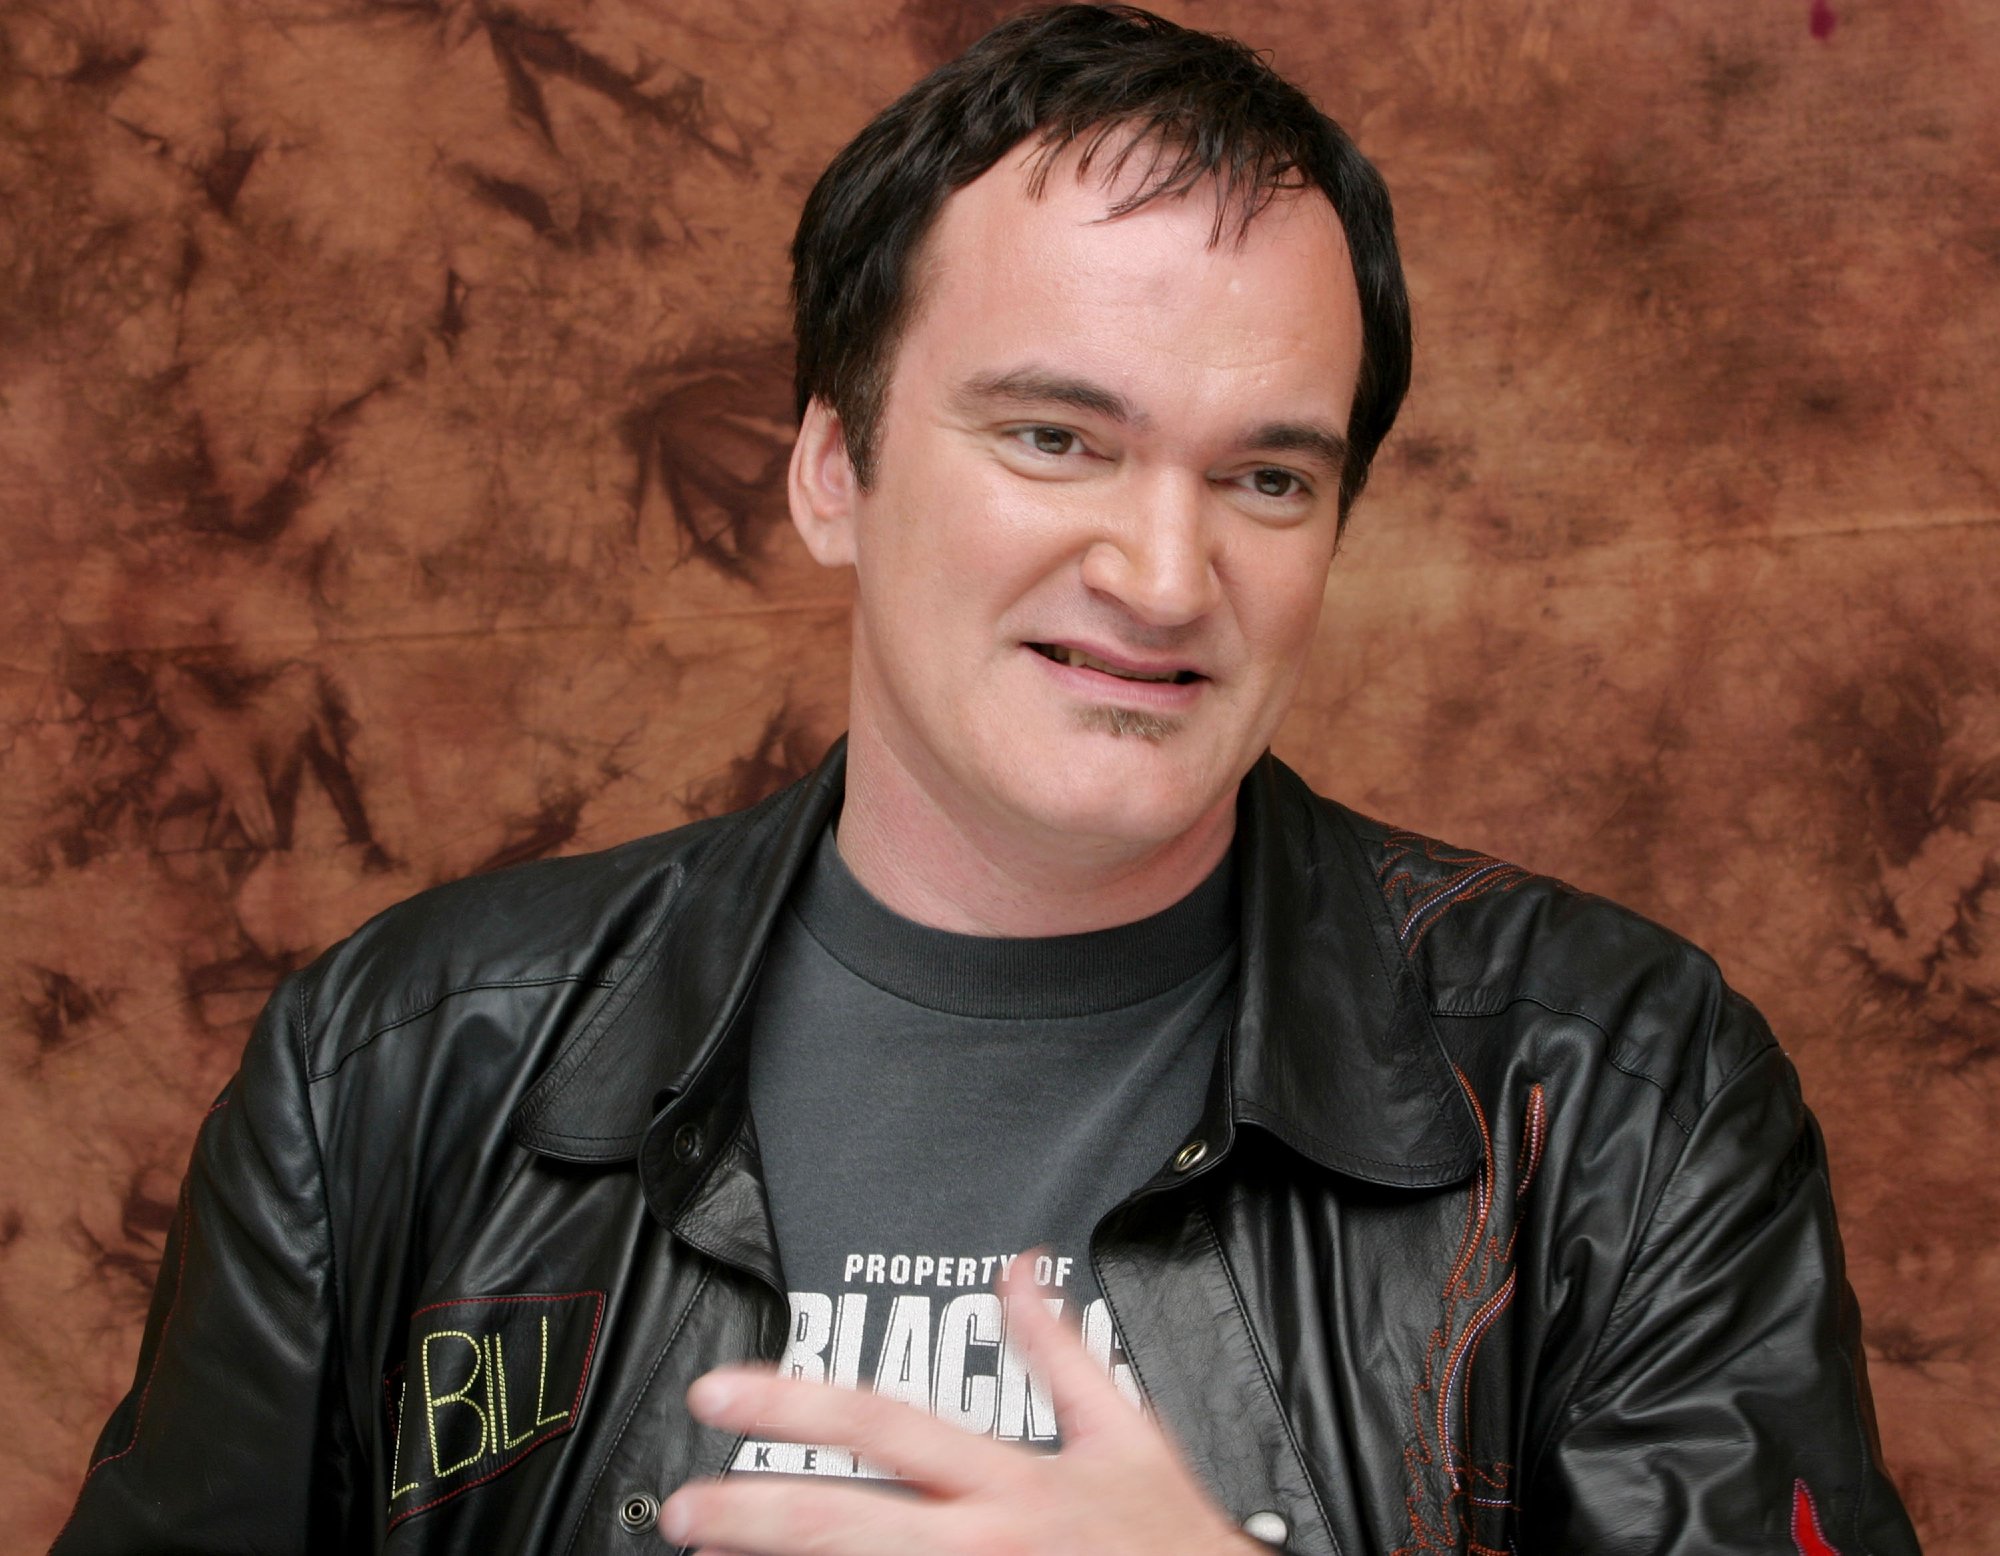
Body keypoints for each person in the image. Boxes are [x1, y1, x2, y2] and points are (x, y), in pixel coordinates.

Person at [56, 7, 1919, 1554]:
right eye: (1055, 439)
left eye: (1267, 478)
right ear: (832, 472)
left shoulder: (1620, 1099)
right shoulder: (398, 1071)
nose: (1166, 577)